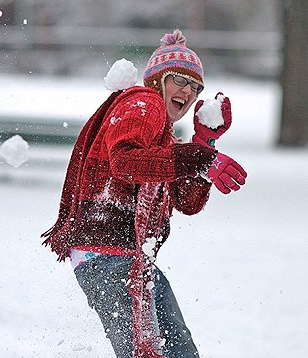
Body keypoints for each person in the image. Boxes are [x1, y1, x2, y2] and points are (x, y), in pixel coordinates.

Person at [42, 29, 247, 358]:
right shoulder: (144, 102)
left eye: (195, 87)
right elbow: (124, 162)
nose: (188, 92)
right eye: (180, 80)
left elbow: (187, 202)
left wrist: (203, 144)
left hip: (128, 261)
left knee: (175, 353)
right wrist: (201, 160)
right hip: (107, 257)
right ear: (158, 79)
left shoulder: (163, 136)